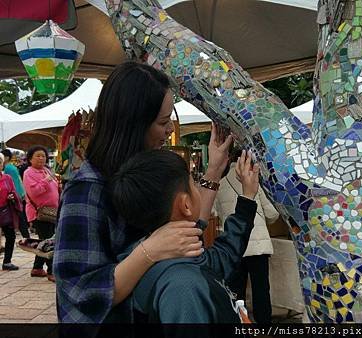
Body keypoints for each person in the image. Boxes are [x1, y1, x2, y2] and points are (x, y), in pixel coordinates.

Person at [53, 61, 232, 323]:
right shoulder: (87, 190)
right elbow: (80, 291)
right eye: (162, 121)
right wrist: (148, 252)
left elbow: (187, 227)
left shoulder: (145, 168)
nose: (170, 128)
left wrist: (214, 170)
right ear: (134, 123)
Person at [111, 149, 259, 325]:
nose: (198, 189)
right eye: (193, 184)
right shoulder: (183, 287)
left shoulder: (157, 255)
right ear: (186, 205)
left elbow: (219, 260)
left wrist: (247, 198)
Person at [214, 147, 279, 323]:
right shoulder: (254, 182)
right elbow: (272, 213)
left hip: (235, 244)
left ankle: (240, 323)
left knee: (237, 290)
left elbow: (218, 214)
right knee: (261, 290)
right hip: (258, 246)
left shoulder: (220, 185)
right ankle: (264, 327)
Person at [23, 146, 59, 282]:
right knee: (48, 242)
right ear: (30, 159)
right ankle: (51, 271)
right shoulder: (28, 173)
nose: (41, 158)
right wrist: (47, 180)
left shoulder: (46, 170)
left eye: (43, 156)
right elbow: (34, 192)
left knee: (45, 240)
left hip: (52, 212)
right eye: (37, 156)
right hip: (39, 213)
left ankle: (37, 268)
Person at [1, 149, 30, 239]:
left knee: (20, 219)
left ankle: (26, 237)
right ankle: (27, 237)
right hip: (18, 194)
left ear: (6, 158)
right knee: (21, 218)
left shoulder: (8, 169)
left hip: (13, 196)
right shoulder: (12, 167)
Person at [0, 153, 22, 270]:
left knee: (11, 236)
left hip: (5, 211)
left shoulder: (7, 178)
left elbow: (13, 191)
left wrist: (12, 196)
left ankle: (7, 261)